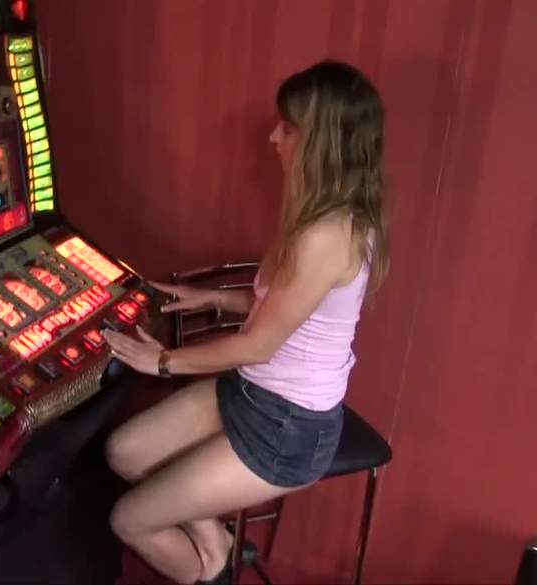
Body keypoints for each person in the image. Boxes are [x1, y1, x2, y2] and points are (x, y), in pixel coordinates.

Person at [102, 60, 389, 585]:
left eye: (288, 128)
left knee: (129, 520)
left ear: (321, 143)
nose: (274, 136)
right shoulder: (319, 213)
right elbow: (284, 310)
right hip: (250, 392)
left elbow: (258, 345)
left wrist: (162, 361)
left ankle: (211, 574)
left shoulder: (325, 234)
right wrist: (209, 298)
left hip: (287, 428)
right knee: (124, 453)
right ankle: (217, 544)